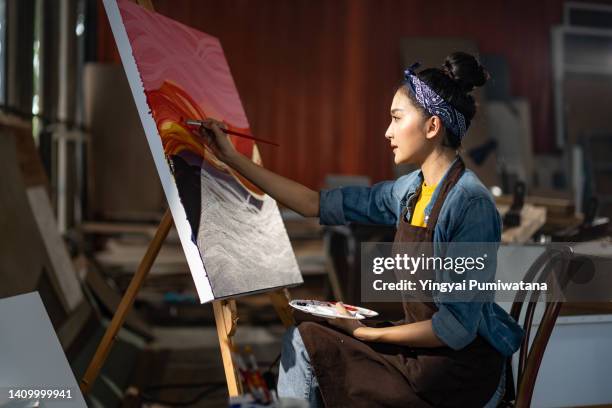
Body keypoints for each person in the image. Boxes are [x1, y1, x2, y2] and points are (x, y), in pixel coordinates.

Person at [202, 52, 524, 408]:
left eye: (396, 118)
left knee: (310, 343)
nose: (387, 132)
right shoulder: (409, 191)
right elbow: (313, 204)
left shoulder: (471, 205)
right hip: (423, 357)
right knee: (307, 337)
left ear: (432, 127)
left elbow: (457, 329)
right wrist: (232, 159)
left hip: (462, 374)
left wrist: (369, 333)